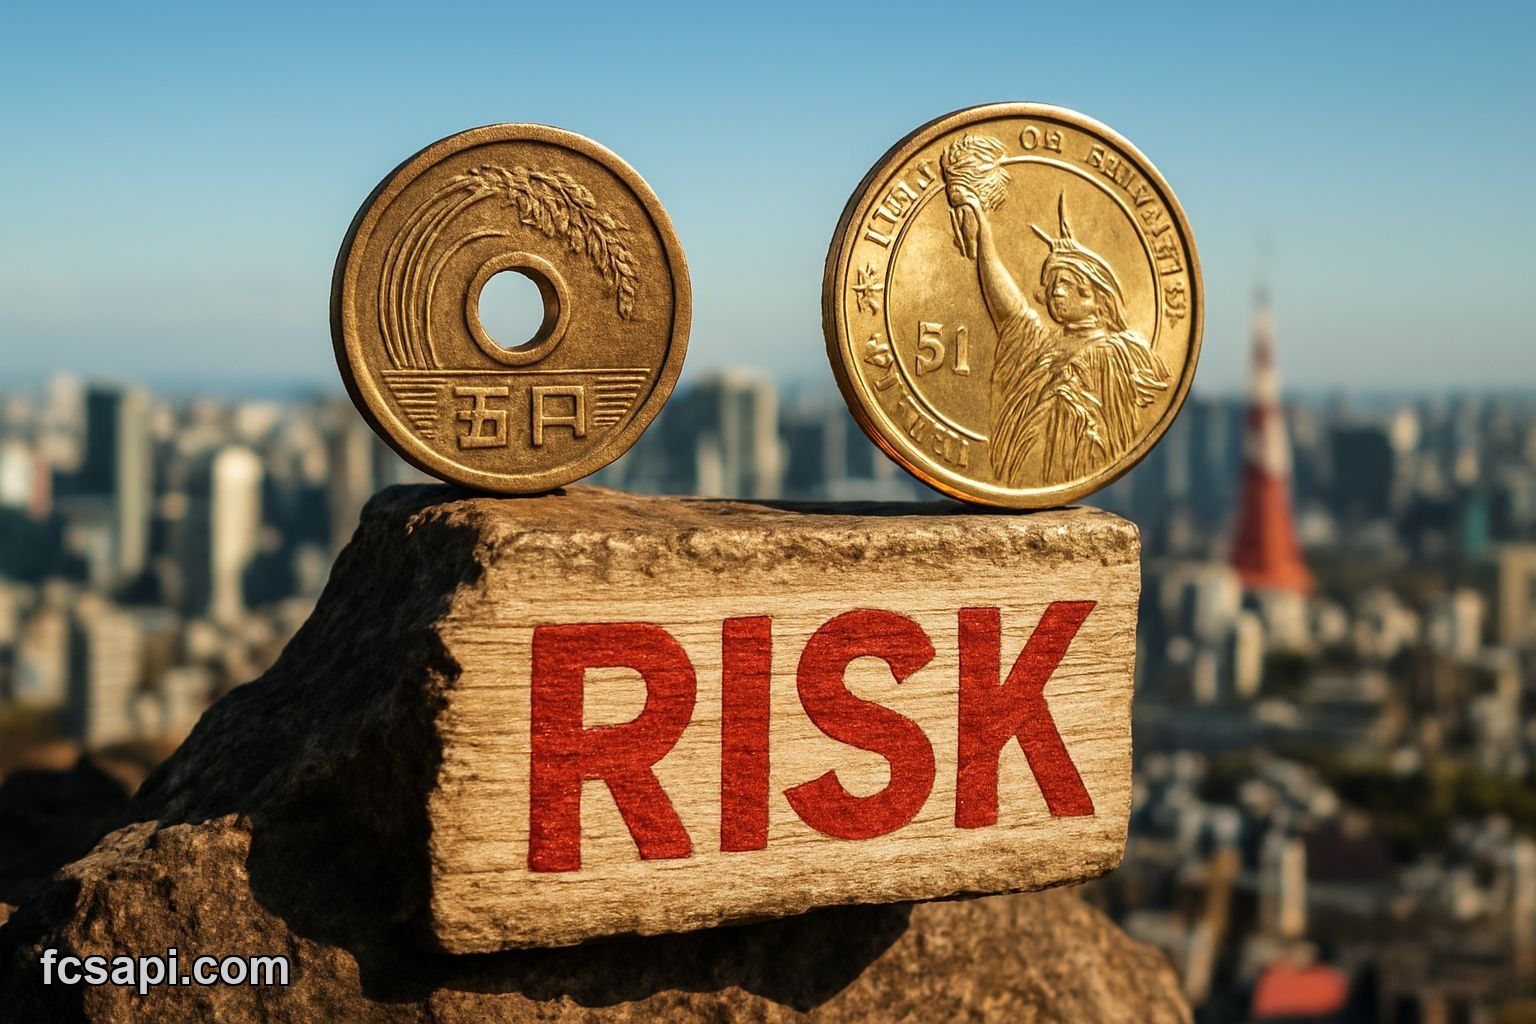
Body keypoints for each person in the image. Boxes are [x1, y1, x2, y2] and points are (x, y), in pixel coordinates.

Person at [941, 134, 1171, 486]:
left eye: (1064, 283)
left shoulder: (1114, 354)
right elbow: (1011, 311)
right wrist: (982, 227)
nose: (1053, 292)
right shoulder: (1044, 347)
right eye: (1050, 286)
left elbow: (1109, 437)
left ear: (1095, 295)